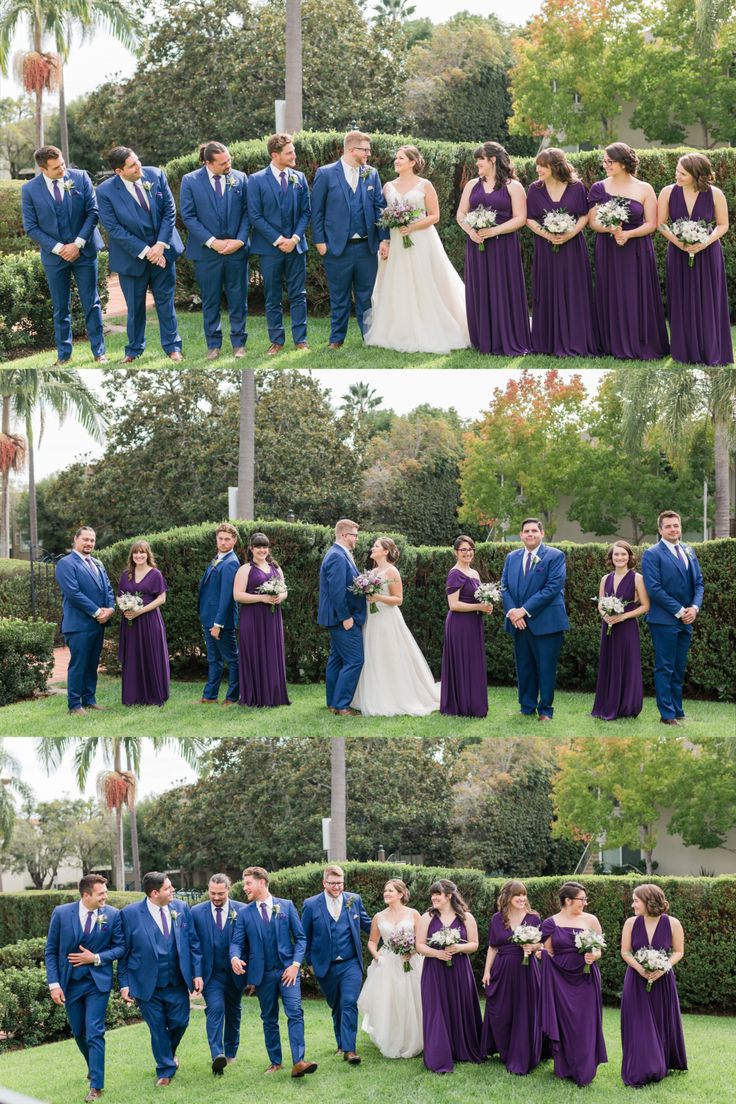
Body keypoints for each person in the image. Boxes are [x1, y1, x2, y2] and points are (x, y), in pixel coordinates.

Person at [364, 145, 469, 353]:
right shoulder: (388, 187)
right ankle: (399, 330)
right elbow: (382, 215)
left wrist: (411, 226)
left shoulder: (425, 185)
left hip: (421, 239)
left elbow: (434, 215)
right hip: (396, 240)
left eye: (401, 158)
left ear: (412, 162)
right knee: (398, 282)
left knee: (425, 281)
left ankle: (433, 326)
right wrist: (386, 239)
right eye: (396, 158)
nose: (396, 161)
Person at [20, 144, 107, 366]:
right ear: (43, 169)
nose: (63, 170)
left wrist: (77, 244)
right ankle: (64, 355)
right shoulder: (29, 190)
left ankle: (99, 352)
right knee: (60, 307)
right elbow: (31, 227)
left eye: (63, 164)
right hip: (54, 257)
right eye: (57, 167)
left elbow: (93, 212)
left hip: (84, 251)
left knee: (92, 303)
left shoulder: (80, 178)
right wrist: (60, 248)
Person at [96, 146, 183, 363]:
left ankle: (173, 348)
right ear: (119, 171)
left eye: (138, 161)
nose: (139, 166)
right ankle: (133, 350)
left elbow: (169, 211)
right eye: (132, 165)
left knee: (166, 302)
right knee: (134, 308)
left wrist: (160, 245)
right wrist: (146, 252)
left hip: (163, 252)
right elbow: (113, 228)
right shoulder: (105, 192)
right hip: (132, 258)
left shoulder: (155, 174)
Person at [229, 867, 318, 1078]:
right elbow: (236, 942)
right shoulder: (244, 913)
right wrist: (234, 957)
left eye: (248, 883)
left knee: (295, 1012)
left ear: (262, 883)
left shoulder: (285, 906)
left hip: (287, 970)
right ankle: (276, 1062)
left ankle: (299, 1062)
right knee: (269, 1017)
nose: (245, 887)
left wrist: (296, 965)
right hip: (263, 974)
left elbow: (301, 939)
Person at [44, 874, 125, 1102]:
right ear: (86, 895)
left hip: (97, 983)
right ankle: (93, 1066)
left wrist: (96, 958)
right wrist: (54, 984)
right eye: (101, 894)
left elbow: (120, 948)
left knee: (95, 1031)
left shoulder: (112, 915)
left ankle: (96, 1086)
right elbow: (51, 951)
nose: (105, 897)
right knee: (79, 1032)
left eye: (106, 893)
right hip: (70, 984)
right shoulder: (61, 913)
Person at [118, 872, 203, 1087]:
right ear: (155, 893)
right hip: (146, 984)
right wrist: (125, 983)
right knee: (157, 1028)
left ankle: (169, 1054)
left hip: (176, 981)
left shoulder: (181, 909)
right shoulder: (130, 914)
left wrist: (197, 973)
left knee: (180, 1022)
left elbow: (193, 943)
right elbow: (124, 952)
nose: (172, 890)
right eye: (168, 888)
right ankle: (165, 1070)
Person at [588, 143, 668, 361]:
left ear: (623, 163)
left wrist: (628, 235)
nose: (605, 165)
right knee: (611, 292)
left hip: (637, 248)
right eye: (604, 161)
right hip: (608, 248)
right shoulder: (598, 187)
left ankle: (641, 342)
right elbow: (593, 222)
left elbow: (651, 224)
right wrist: (611, 229)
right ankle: (612, 343)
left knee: (636, 293)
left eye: (609, 162)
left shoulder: (645, 188)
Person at [310, 130, 389, 348]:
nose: (369, 154)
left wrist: (384, 239)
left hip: (366, 246)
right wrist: (320, 242)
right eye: (365, 150)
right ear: (351, 149)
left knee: (366, 296)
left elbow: (379, 207)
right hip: (336, 247)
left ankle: (369, 337)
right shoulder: (325, 174)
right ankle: (336, 338)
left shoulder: (371, 173)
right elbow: (316, 210)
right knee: (339, 296)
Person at [657, 153, 733, 366]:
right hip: (678, 252)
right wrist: (679, 242)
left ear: (697, 175)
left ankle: (710, 349)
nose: (677, 176)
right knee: (681, 297)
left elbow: (723, 224)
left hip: (708, 252)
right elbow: (661, 223)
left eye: (683, 173)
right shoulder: (668, 192)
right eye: (677, 171)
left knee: (708, 298)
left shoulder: (715, 193)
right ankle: (683, 351)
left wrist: (705, 242)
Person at [351, 536, 440, 716]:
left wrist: (378, 598)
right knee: (372, 655)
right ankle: (373, 694)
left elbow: (398, 599)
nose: (372, 548)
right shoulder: (373, 571)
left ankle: (395, 696)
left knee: (388, 655)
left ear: (385, 551)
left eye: (376, 546)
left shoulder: (392, 572)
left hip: (387, 620)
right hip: (372, 618)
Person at [457, 141, 530, 355]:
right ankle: (483, 339)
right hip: (476, 244)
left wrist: (495, 231)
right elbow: (461, 214)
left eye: (480, 158)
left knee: (503, 288)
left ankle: (506, 338)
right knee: (480, 288)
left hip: (503, 246)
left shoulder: (513, 186)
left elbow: (521, 218)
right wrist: (470, 230)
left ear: (493, 159)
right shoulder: (472, 185)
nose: (477, 163)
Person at [179, 141, 249, 360]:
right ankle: (213, 345)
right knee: (210, 300)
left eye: (229, 159)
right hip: (206, 253)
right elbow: (188, 216)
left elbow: (249, 212)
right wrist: (212, 242)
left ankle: (239, 344)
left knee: (238, 298)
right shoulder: (190, 181)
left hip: (236, 251)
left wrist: (239, 240)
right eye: (222, 163)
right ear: (207, 162)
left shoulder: (241, 178)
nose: (228, 165)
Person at [526, 147, 597, 357]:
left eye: (542, 165)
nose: (538, 169)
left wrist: (570, 233)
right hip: (545, 248)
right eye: (537, 165)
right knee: (547, 288)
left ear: (555, 166)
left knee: (573, 290)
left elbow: (584, 215)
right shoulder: (534, 188)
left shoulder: (576, 188)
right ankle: (546, 342)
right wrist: (547, 235)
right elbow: (529, 218)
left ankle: (575, 340)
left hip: (572, 248)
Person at [301, 865, 372, 1065]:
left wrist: (391, 938)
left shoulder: (354, 900)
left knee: (349, 1002)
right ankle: (341, 1043)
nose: (337, 887)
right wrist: (309, 963)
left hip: (350, 963)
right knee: (337, 1005)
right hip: (324, 965)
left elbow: (368, 925)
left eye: (340, 883)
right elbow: (303, 936)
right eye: (333, 883)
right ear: (324, 883)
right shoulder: (311, 904)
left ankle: (350, 1050)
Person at [247, 132, 311, 354]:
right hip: (269, 248)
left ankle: (300, 340)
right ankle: (276, 340)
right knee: (272, 294)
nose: (294, 155)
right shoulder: (255, 180)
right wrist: (277, 239)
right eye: (289, 152)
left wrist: (294, 238)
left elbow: (306, 212)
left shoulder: (299, 177)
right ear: (275, 155)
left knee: (298, 294)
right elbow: (255, 215)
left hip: (296, 246)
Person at [501, 518, 569, 721]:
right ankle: (526, 706)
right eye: (526, 531)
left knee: (546, 668)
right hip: (518, 622)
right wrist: (513, 611)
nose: (530, 534)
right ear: (521, 535)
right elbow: (504, 586)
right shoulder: (512, 557)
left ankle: (546, 710)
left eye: (534, 531)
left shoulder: (555, 556)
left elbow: (552, 588)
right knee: (524, 667)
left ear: (542, 533)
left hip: (546, 623)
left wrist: (524, 610)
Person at [540, 881, 607, 1087]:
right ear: (568, 900)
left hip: (586, 977)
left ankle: (585, 1069)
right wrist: (538, 952)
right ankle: (565, 1067)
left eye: (585, 899)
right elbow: (547, 951)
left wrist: (593, 955)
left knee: (585, 1021)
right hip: (560, 979)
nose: (585, 903)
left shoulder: (591, 919)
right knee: (565, 1022)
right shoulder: (551, 923)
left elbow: (600, 948)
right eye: (582, 899)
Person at [641, 510, 704, 726]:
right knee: (665, 667)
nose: (673, 529)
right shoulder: (652, 554)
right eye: (668, 526)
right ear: (660, 530)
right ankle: (666, 714)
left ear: (680, 527)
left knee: (679, 666)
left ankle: (678, 709)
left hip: (687, 618)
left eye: (676, 525)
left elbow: (699, 583)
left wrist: (694, 608)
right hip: (664, 620)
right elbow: (654, 588)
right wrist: (679, 610)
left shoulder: (688, 550)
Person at [620, 883, 687, 1087]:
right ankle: (641, 1066)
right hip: (636, 980)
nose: (633, 905)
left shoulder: (672, 923)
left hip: (663, 980)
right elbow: (625, 951)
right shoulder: (631, 923)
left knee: (660, 1021)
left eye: (636, 900)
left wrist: (663, 966)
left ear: (649, 901)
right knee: (638, 1023)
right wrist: (641, 970)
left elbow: (678, 951)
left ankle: (661, 1062)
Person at [417, 879, 483, 1074]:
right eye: (432, 894)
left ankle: (463, 1049)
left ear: (449, 896)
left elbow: (474, 944)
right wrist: (438, 953)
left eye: (437, 894)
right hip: (434, 969)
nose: (433, 898)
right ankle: (439, 1055)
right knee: (436, 1009)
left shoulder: (466, 917)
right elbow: (419, 945)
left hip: (460, 968)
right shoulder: (427, 917)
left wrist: (458, 947)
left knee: (459, 1006)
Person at [480, 880, 544, 1076]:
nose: (522, 899)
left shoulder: (534, 918)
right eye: (518, 895)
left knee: (525, 1010)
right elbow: (493, 946)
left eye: (524, 895)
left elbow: (543, 945)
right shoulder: (497, 919)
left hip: (527, 970)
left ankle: (523, 1053)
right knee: (501, 1010)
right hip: (503, 969)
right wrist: (486, 971)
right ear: (508, 897)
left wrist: (532, 947)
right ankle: (502, 1048)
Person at [357, 879, 423, 1059]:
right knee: (390, 1002)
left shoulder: (414, 914)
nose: (386, 893)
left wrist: (413, 951)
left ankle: (414, 1039)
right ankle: (393, 1038)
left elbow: (421, 939)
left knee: (412, 999)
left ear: (401, 894)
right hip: (386, 963)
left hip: (411, 961)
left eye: (390, 891)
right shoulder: (379, 917)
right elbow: (372, 942)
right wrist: (377, 956)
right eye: (385, 890)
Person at [190, 874, 248, 1076]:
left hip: (235, 974)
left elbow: (248, 943)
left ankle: (231, 1053)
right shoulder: (196, 912)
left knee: (234, 1013)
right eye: (212, 893)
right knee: (215, 1009)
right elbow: (194, 946)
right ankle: (217, 1055)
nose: (216, 897)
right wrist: (196, 975)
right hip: (211, 974)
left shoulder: (241, 910)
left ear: (228, 890)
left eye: (220, 894)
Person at [55, 525, 115, 716]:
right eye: (85, 539)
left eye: (92, 540)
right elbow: (73, 593)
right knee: (79, 664)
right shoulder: (66, 563)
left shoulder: (97, 563)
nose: (89, 543)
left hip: (98, 624)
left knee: (92, 664)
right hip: (78, 625)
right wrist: (97, 611)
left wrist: (111, 608)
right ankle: (74, 705)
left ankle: (89, 700)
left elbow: (108, 588)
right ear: (76, 539)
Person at [591, 540, 649, 721]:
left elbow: (646, 606)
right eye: (616, 554)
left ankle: (626, 706)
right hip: (608, 627)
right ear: (611, 557)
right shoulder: (605, 579)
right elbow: (601, 603)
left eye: (623, 554)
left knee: (626, 664)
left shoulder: (637, 578)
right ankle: (606, 703)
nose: (620, 557)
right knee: (609, 663)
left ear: (629, 557)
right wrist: (605, 616)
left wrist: (623, 616)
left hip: (626, 627)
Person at [233, 531, 290, 707]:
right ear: (251, 548)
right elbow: (237, 595)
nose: (262, 550)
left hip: (272, 618)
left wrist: (281, 596)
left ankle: (274, 695)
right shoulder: (245, 569)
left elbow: (285, 590)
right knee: (254, 653)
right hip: (252, 619)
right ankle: (255, 696)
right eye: (258, 546)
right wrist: (261, 598)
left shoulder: (276, 567)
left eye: (264, 546)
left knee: (272, 653)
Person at [440, 535, 493, 718]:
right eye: (463, 549)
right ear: (456, 552)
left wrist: (486, 605)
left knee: (473, 662)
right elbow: (453, 605)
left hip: (474, 623)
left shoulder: (475, 573)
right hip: (459, 625)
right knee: (462, 661)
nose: (468, 552)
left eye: (470, 549)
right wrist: (478, 606)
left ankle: (474, 705)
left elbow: (476, 598)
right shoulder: (454, 573)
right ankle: (460, 705)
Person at [317, 519, 366, 715]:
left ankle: (332, 702)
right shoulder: (337, 556)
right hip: (341, 619)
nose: (357, 539)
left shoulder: (340, 554)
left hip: (337, 618)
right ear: (345, 536)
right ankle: (342, 705)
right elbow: (337, 591)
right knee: (355, 660)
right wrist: (346, 617)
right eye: (355, 535)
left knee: (336, 660)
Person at [117, 540, 170, 707]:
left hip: (149, 620)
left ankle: (154, 695)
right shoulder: (126, 574)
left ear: (148, 554)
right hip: (130, 623)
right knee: (133, 656)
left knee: (151, 654)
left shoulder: (155, 574)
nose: (139, 556)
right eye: (135, 553)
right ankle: (133, 696)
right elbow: (119, 595)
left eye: (142, 552)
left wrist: (141, 610)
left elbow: (162, 599)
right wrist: (124, 607)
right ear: (132, 556)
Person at [197, 523, 240, 706]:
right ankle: (209, 696)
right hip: (209, 617)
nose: (223, 542)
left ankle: (232, 697)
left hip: (220, 621)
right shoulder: (218, 558)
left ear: (234, 541)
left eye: (227, 539)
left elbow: (226, 597)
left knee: (232, 660)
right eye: (220, 538)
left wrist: (218, 624)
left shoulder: (231, 563)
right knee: (213, 660)